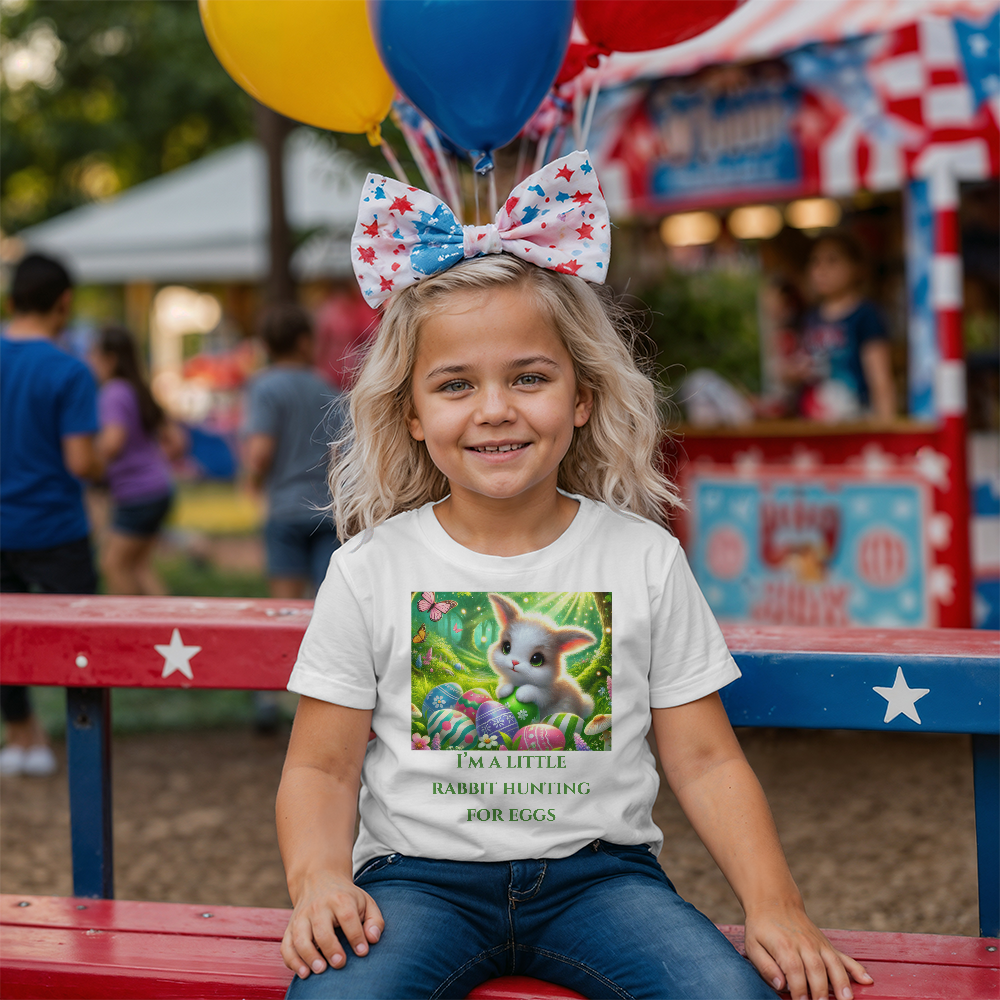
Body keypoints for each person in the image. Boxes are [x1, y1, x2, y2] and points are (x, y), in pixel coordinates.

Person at [275, 154, 874, 1000]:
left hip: (603, 883)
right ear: (411, 413)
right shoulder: (372, 568)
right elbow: (321, 770)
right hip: (416, 885)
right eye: (455, 385)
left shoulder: (643, 557)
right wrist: (318, 883)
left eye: (530, 377)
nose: (495, 409)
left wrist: (776, 906)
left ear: (583, 395)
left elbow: (704, 761)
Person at [0, 253, 102, 777]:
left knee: (3, 635)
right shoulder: (69, 370)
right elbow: (80, 461)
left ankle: (21, 736)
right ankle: (83, 748)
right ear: (64, 302)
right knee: (80, 639)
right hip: (55, 527)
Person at [90, 324, 182, 595]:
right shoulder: (137, 388)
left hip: (137, 495)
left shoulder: (113, 392)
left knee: (113, 564)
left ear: (110, 359)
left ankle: (130, 629)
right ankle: (168, 628)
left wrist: (87, 456)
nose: (90, 361)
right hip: (158, 488)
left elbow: (113, 441)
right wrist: (151, 461)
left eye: (94, 354)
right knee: (139, 566)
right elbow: (177, 441)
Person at [786, 233, 895, 423]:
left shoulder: (865, 315)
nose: (822, 270)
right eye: (815, 262)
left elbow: (880, 380)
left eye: (832, 261)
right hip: (813, 421)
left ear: (856, 267)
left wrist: (885, 428)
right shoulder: (810, 318)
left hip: (854, 420)